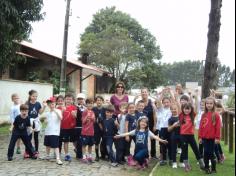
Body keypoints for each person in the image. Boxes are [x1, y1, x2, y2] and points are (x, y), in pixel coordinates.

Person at [179, 103, 205, 172]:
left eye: (188, 109)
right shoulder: (181, 115)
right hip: (183, 136)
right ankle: (187, 166)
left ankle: (202, 164)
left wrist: (196, 96)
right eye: (185, 109)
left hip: (191, 136)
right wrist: (175, 96)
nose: (187, 110)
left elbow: (196, 106)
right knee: (184, 151)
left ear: (191, 109)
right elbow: (178, 104)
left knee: (196, 149)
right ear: (182, 109)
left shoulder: (192, 115)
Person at [199, 97, 221, 174]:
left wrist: (217, 138)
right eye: (207, 103)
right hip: (204, 138)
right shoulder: (203, 115)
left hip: (212, 138)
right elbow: (201, 126)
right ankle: (207, 168)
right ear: (205, 104)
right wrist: (200, 137)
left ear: (214, 104)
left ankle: (214, 169)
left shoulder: (216, 115)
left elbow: (218, 128)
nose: (209, 105)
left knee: (211, 153)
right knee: (205, 153)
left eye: (211, 103)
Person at [25, 90, 47, 158]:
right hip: (29, 122)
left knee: (36, 137)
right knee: (28, 137)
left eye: (36, 96)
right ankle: (27, 151)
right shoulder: (27, 103)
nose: (35, 97)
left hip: (36, 122)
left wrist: (44, 106)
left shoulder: (38, 104)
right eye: (33, 96)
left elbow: (40, 112)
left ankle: (36, 151)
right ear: (30, 96)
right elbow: (25, 113)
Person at [43, 97, 63, 165]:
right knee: (47, 145)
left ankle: (58, 158)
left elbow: (61, 118)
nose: (51, 105)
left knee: (55, 146)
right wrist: (45, 121)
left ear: (55, 104)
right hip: (48, 131)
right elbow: (46, 121)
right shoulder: (47, 113)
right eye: (49, 104)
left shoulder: (58, 111)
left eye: (52, 104)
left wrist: (55, 111)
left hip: (55, 131)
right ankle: (47, 156)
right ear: (48, 105)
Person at [140, 88, 158, 159]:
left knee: (153, 139)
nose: (144, 93)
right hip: (142, 125)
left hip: (151, 123)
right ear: (141, 94)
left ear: (148, 93)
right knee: (143, 140)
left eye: (145, 92)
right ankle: (145, 155)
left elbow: (155, 114)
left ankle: (153, 155)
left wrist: (155, 125)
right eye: (142, 92)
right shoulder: (139, 102)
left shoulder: (152, 102)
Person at [60, 93, 77, 161]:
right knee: (65, 141)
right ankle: (67, 154)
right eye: (67, 99)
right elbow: (59, 117)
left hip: (72, 127)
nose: (68, 100)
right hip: (64, 128)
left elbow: (76, 117)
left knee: (74, 141)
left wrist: (74, 115)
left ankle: (77, 150)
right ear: (65, 100)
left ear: (72, 100)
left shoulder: (74, 107)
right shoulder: (62, 107)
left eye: (70, 99)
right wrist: (62, 111)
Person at [168, 103, 184, 169]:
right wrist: (173, 125)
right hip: (174, 135)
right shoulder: (170, 119)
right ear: (170, 110)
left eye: (175, 109)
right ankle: (174, 163)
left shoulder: (181, 117)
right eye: (172, 109)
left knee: (184, 149)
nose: (174, 110)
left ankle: (181, 162)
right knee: (173, 149)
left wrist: (181, 125)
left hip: (182, 135)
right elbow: (168, 129)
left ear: (178, 109)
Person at [158, 97, 172, 166]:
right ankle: (163, 159)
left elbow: (176, 102)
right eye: (164, 102)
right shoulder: (161, 109)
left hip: (169, 128)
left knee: (170, 143)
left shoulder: (172, 109)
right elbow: (158, 101)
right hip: (162, 128)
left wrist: (171, 93)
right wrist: (162, 94)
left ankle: (170, 157)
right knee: (163, 144)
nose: (166, 104)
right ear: (162, 103)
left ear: (170, 102)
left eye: (167, 102)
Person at [81, 98, 95, 163]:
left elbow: (94, 121)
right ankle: (84, 157)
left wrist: (92, 118)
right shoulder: (84, 111)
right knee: (84, 145)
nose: (90, 104)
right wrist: (87, 116)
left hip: (91, 132)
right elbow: (83, 122)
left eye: (92, 103)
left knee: (90, 145)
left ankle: (89, 156)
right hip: (85, 132)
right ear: (86, 104)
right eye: (89, 103)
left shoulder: (92, 112)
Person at [92, 96, 106, 161]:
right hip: (96, 128)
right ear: (96, 102)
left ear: (102, 101)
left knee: (103, 142)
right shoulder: (93, 109)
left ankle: (103, 155)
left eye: (100, 100)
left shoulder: (105, 109)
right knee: (97, 142)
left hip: (103, 128)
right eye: (97, 100)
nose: (99, 101)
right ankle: (97, 155)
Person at [75, 93, 86, 160]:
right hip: (76, 126)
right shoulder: (75, 107)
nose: (80, 100)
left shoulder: (86, 108)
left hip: (84, 127)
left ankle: (81, 154)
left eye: (81, 99)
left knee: (82, 141)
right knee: (78, 141)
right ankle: (79, 155)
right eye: (79, 99)